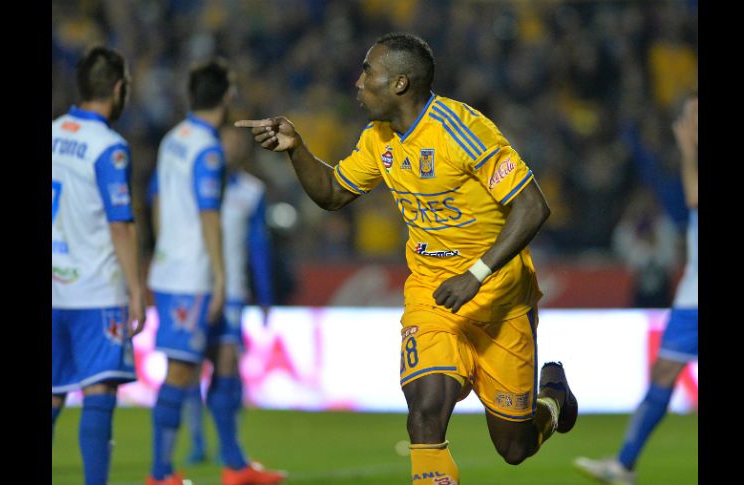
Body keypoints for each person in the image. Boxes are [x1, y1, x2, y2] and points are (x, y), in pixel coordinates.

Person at [236, 32, 577, 484]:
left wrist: (475, 274)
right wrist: (297, 149)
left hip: (499, 298)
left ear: (399, 83)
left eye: (368, 71)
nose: (358, 82)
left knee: (515, 447)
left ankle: (552, 400)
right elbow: (333, 192)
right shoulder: (378, 139)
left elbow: (532, 206)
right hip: (433, 296)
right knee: (424, 412)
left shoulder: (463, 130)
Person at [146, 59, 285, 485]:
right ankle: (160, 472)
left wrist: (164, 247)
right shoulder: (206, 148)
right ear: (227, 96)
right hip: (194, 278)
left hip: (181, 270)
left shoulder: (173, 139)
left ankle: (235, 466)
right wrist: (220, 278)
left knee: (226, 361)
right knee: (181, 371)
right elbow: (209, 216)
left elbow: (155, 199)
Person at [573, 93, 698, 485]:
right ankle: (624, 465)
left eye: (693, 115)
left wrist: (687, 150)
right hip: (692, 295)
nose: (686, 123)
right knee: (664, 371)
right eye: (686, 116)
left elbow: (693, 199)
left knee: (665, 371)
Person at [52, 46, 146, 485]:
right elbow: (120, 224)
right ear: (119, 88)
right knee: (99, 389)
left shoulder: (53, 133)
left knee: (54, 392)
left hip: (55, 287)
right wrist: (135, 290)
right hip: (95, 288)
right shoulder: (109, 148)